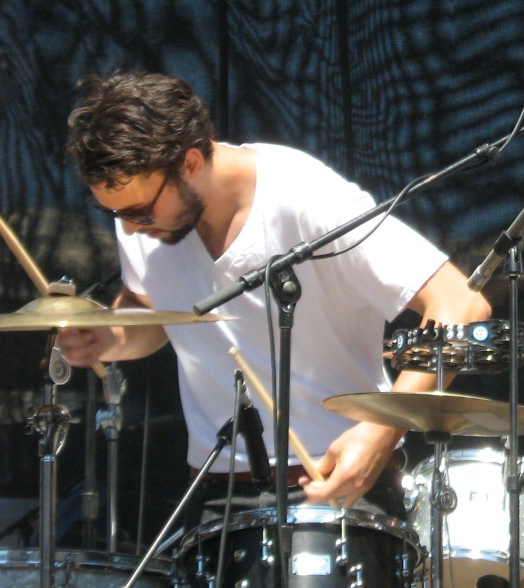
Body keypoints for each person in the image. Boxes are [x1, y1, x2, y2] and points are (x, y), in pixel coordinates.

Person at [59, 70, 491, 522]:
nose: (129, 228)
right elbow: (150, 307)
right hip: (213, 493)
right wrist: (109, 337)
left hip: (336, 483)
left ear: (189, 164)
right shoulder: (141, 212)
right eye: (113, 213)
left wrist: (383, 430)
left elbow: (461, 304)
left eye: (139, 212)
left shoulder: (302, 195)